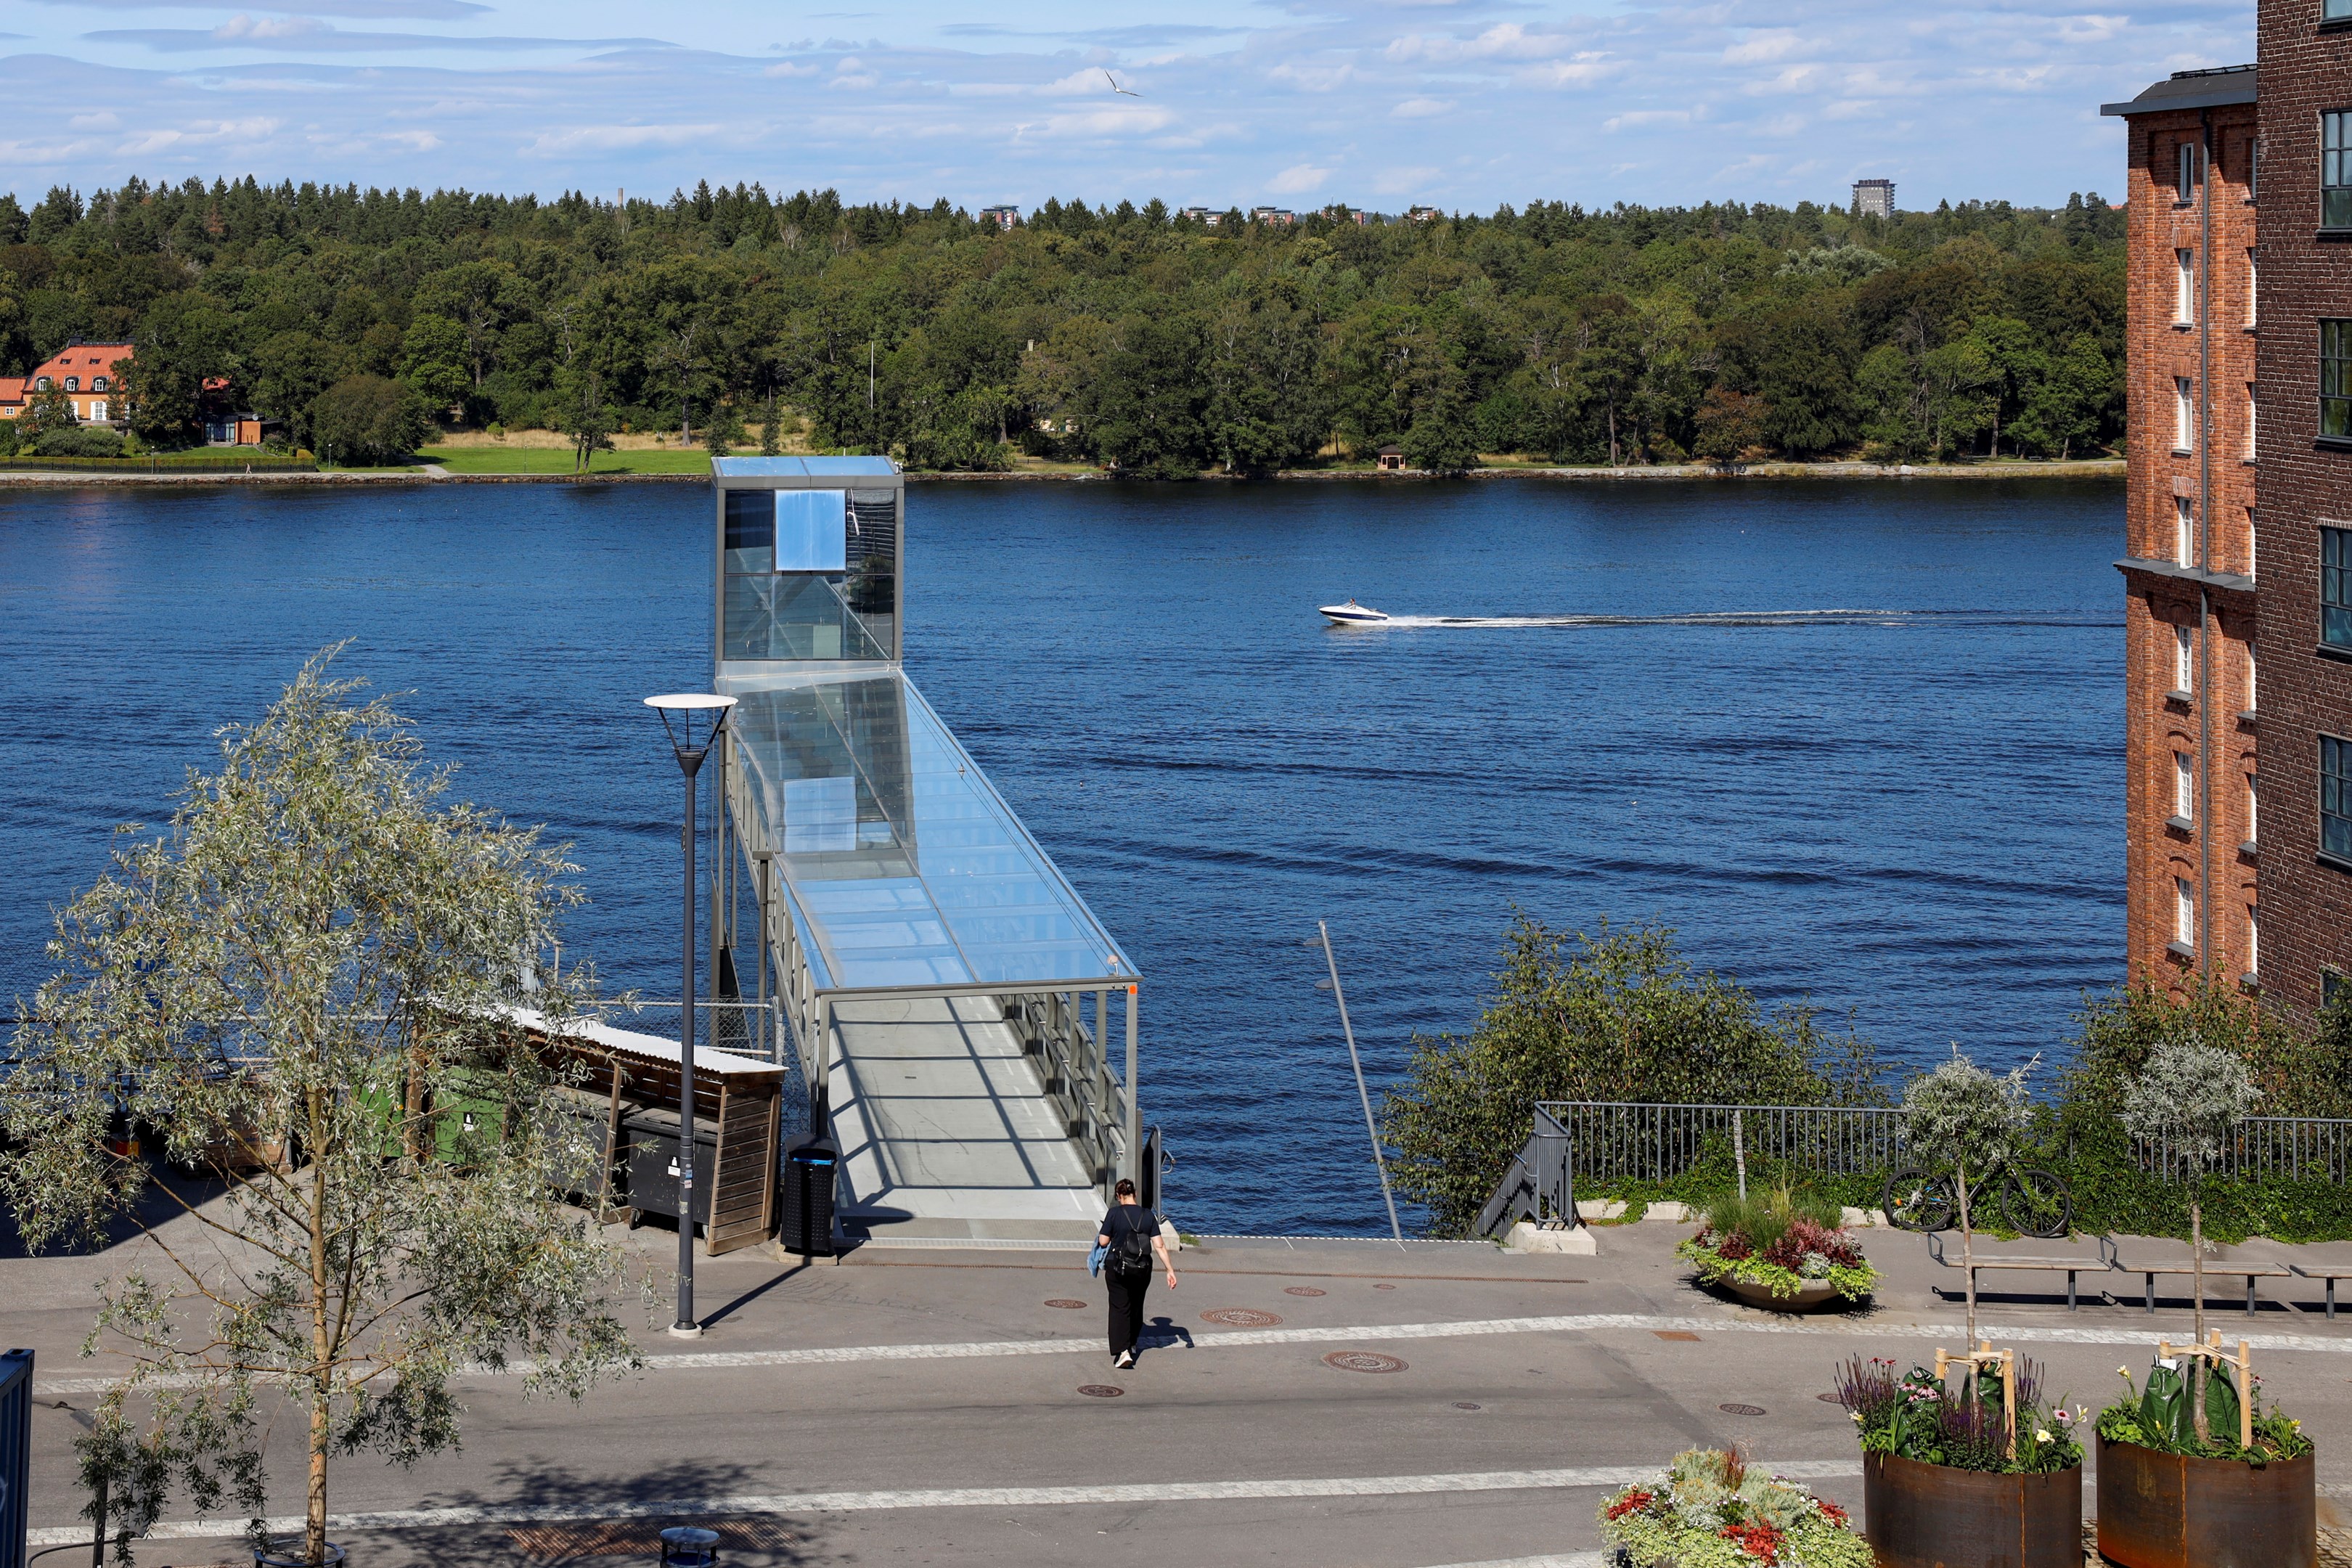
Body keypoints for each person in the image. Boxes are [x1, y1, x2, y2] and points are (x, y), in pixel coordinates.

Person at [1098, 1177, 1177, 1368]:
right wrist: (1169, 1269)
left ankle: (1123, 1351)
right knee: (1136, 1304)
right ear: (1135, 1194)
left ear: (1119, 1196)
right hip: (1142, 1268)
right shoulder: (1148, 1215)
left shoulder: (1114, 1214)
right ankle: (1132, 1342)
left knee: (1119, 1307)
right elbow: (1159, 1245)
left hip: (1118, 1267)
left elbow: (1103, 1241)